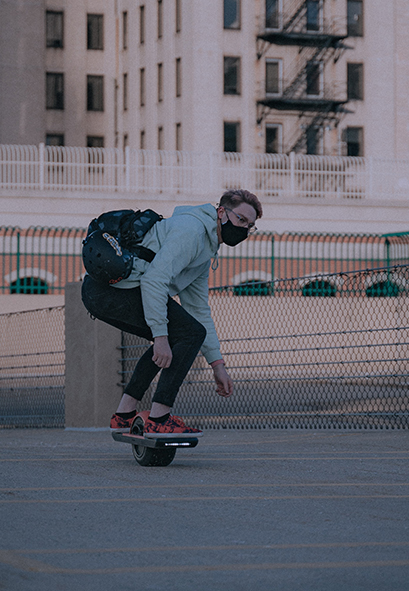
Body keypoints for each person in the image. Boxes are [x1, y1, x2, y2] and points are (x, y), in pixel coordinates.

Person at [81, 189, 263, 437]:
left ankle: (124, 415)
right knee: (186, 335)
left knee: (184, 334)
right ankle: (159, 418)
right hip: (111, 290)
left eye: (250, 226)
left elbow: (198, 310)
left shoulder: (205, 251)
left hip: (108, 292)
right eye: (241, 219)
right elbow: (154, 280)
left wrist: (217, 364)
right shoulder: (192, 231)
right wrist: (160, 336)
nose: (244, 229)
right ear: (221, 212)